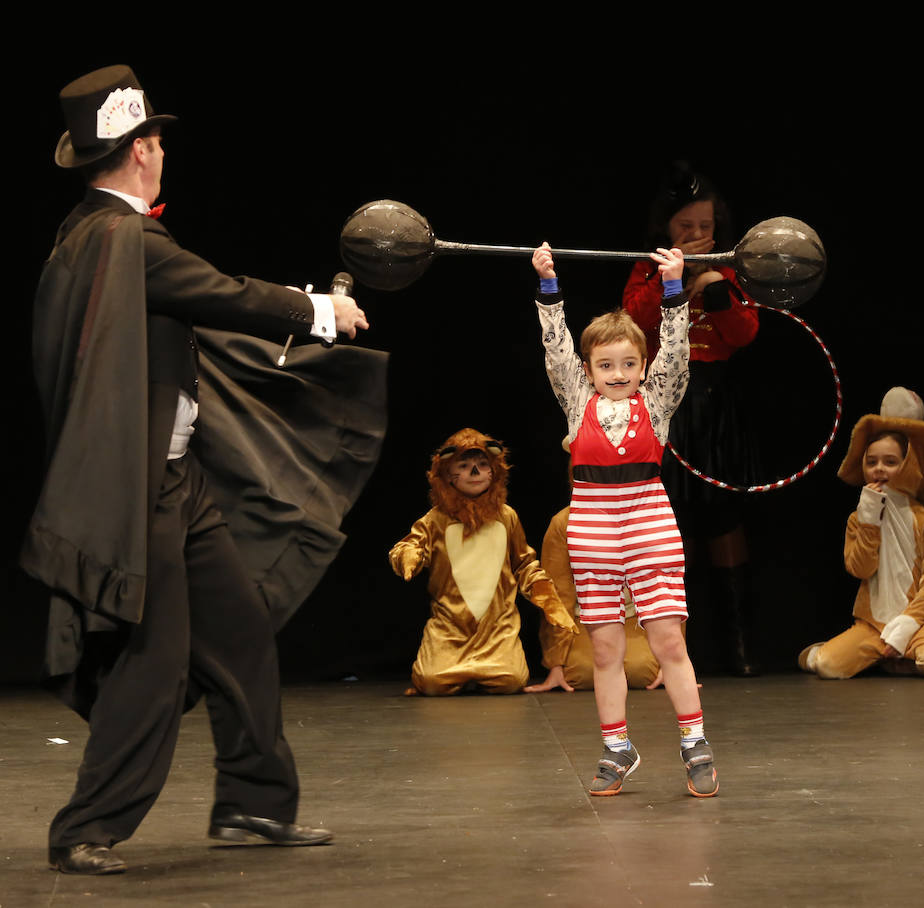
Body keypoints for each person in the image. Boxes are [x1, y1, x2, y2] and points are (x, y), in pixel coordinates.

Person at [20, 65, 371, 875]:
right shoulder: (122, 239)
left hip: (177, 485)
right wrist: (321, 310)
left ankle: (252, 804)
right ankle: (86, 825)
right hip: (143, 492)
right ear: (140, 151)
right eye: (157, 140)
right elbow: (222, 294)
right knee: (155, 659)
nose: (162, 152)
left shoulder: (89, 235)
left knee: (241, 634)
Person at [532, 240, 717, 797]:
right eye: (605, 365)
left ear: (642, 366)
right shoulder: (576, 399)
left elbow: (677, 351)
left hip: (648, 519)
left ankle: (693, 740)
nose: (618, 373)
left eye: (629, 363)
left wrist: (674, 289)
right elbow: (555, 347)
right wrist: (547, 284)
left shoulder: (655, 401)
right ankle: (617, 746)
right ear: (588, 370)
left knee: (668, 640)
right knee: (607, 648)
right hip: (593, 526)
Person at [623, 164, 761, 675]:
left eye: (704, 227)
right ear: (666, 229)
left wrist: (715, 287)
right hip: (667, 401)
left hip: (717, 403)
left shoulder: (728, 267)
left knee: (724, 518)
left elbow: (744, 334)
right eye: (686, 228)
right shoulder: (647, 267)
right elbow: (633, 321)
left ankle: (740, 647)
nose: (698, 236)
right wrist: (673, 279)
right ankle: (676, 654)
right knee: (670, 523)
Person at [389, 430, 575, 694]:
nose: (474, 472)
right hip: (450, 628)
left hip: (497, 628)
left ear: (495, 472)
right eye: (463, 466)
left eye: (483, 465)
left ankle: (487, 665)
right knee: (431, 681)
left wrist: (547, 597)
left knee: (512, 680)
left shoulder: (506, 517)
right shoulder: (436, 520)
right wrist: (408, 556)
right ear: (446, 475)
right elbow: (410, 544)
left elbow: (524, 564)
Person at [798, 388, 924, 680]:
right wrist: (870, 522)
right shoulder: (857, 519)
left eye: (890, 462)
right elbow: (860, 568)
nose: (878, 470)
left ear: (908, 464)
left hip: (917, 624)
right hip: (872, 626)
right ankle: (840, 652)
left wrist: (908, 625)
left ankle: (896, 655)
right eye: (871, 462)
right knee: (827, 667)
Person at [527, 504, 663, 691]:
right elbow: (557, 592)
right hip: (584, 618)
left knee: (641, 671)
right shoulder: (564, 521)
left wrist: (670, 662)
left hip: (635, 617)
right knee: (582, 673)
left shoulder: (648, 517)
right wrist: (556, 662)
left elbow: (664, 586)